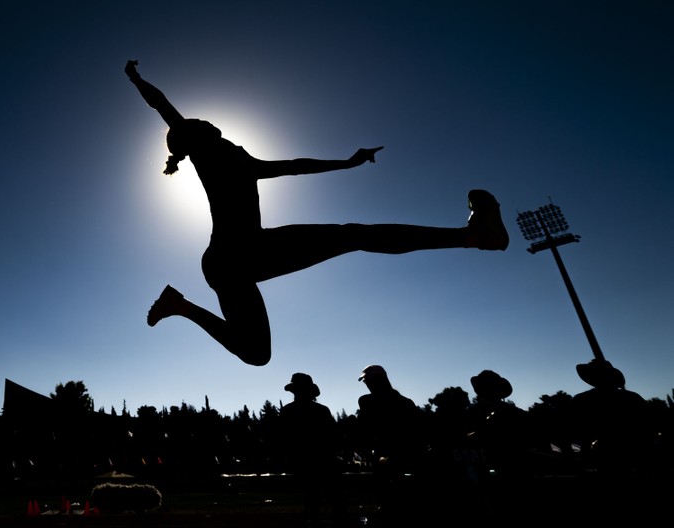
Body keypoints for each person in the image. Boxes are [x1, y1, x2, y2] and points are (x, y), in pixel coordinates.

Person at [126, 60, 509, 366]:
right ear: (194, 138)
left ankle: (179, 305)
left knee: (257, 353)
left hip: (236, 258)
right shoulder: (208, 155)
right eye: (199, 123)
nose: (207, 121)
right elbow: (163, 105)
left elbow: (295, 166)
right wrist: (137, 79)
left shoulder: (240, 159)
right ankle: (474, 237)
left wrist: (347, 163)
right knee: (354, 235)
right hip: (235, 254)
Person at [278, 372, 349, 528]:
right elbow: (333, 436)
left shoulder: (289, 411)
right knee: (332, 500)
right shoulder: (321, 410)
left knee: (314, 501)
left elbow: (284, 439)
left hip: (306, 462)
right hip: (323, 461)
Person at [356, 365, 422, 474]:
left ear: (379, 380)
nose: (367, 384)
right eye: (365, 381)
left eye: (368, 380)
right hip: (400, 460)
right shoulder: (406, 402)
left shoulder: (366, 401)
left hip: (398, 460)